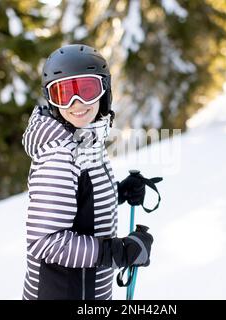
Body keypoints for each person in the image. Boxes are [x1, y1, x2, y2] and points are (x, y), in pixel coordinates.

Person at [21, 44, 153, 300]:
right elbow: (45, 241)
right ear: (51, 99)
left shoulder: (84, 140)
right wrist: (117, 252)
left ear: (104, 90)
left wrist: (118, 193)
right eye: (63, 93)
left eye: (86, 89)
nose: (76, 103)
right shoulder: (61, 153)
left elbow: (77, 204)